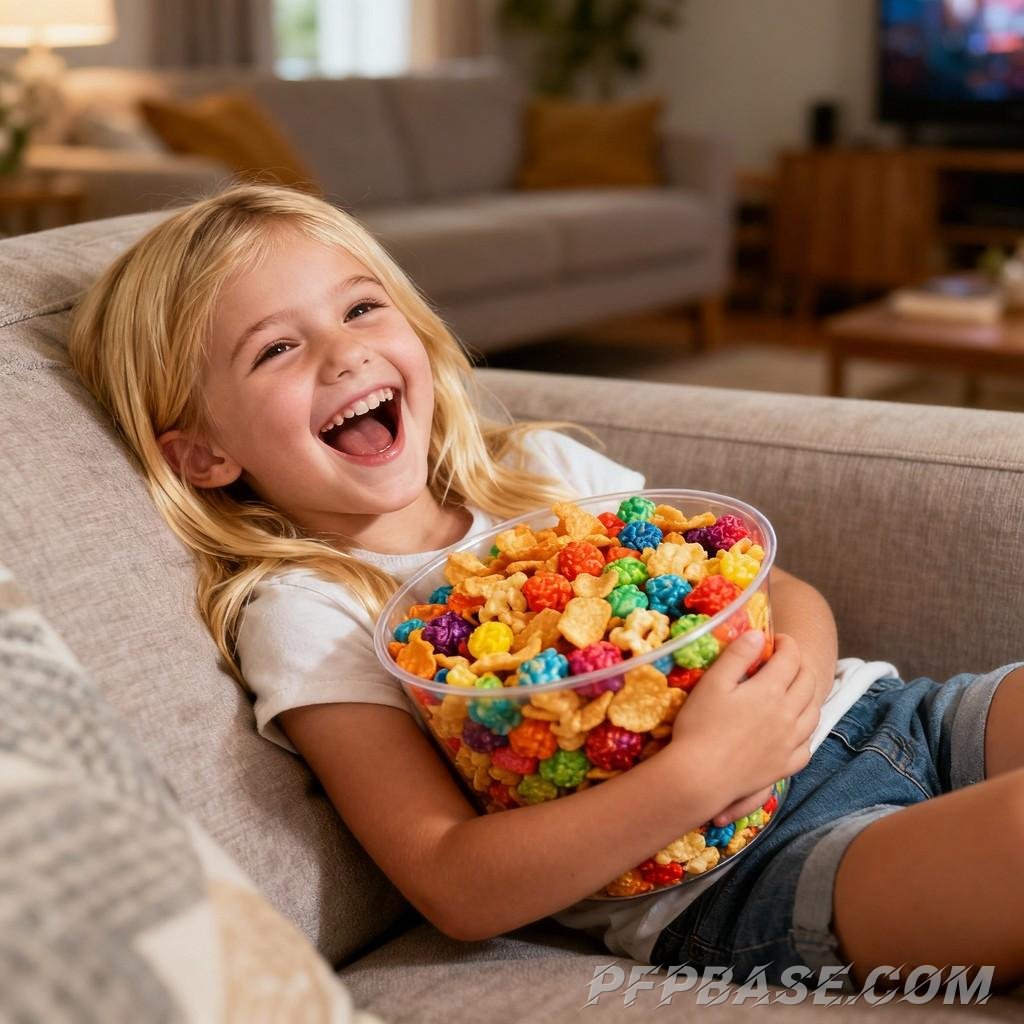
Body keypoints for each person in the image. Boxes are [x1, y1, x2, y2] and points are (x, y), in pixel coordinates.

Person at [68, 183, 1024, 995]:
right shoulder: (315, 611)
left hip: (893, 718)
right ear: (202, 453)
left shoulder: (543, 471)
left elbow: (788, 595)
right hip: (739, 873)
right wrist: (704, 773)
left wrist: (791, 691)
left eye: (361, 308)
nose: (344, 353)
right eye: (275, 349)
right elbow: (452, 883)